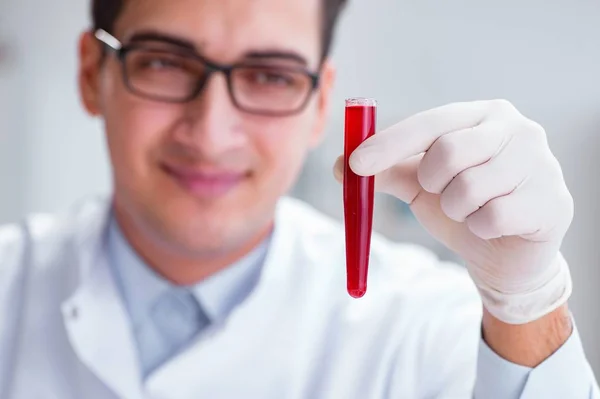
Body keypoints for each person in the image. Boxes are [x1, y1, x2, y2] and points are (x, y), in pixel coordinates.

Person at [0, 0, 598, 397]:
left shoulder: (421, 324)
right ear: (89, 73)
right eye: (164, 64)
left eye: (270, 76)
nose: (211, 133)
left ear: (319, 105)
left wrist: (527, 302)